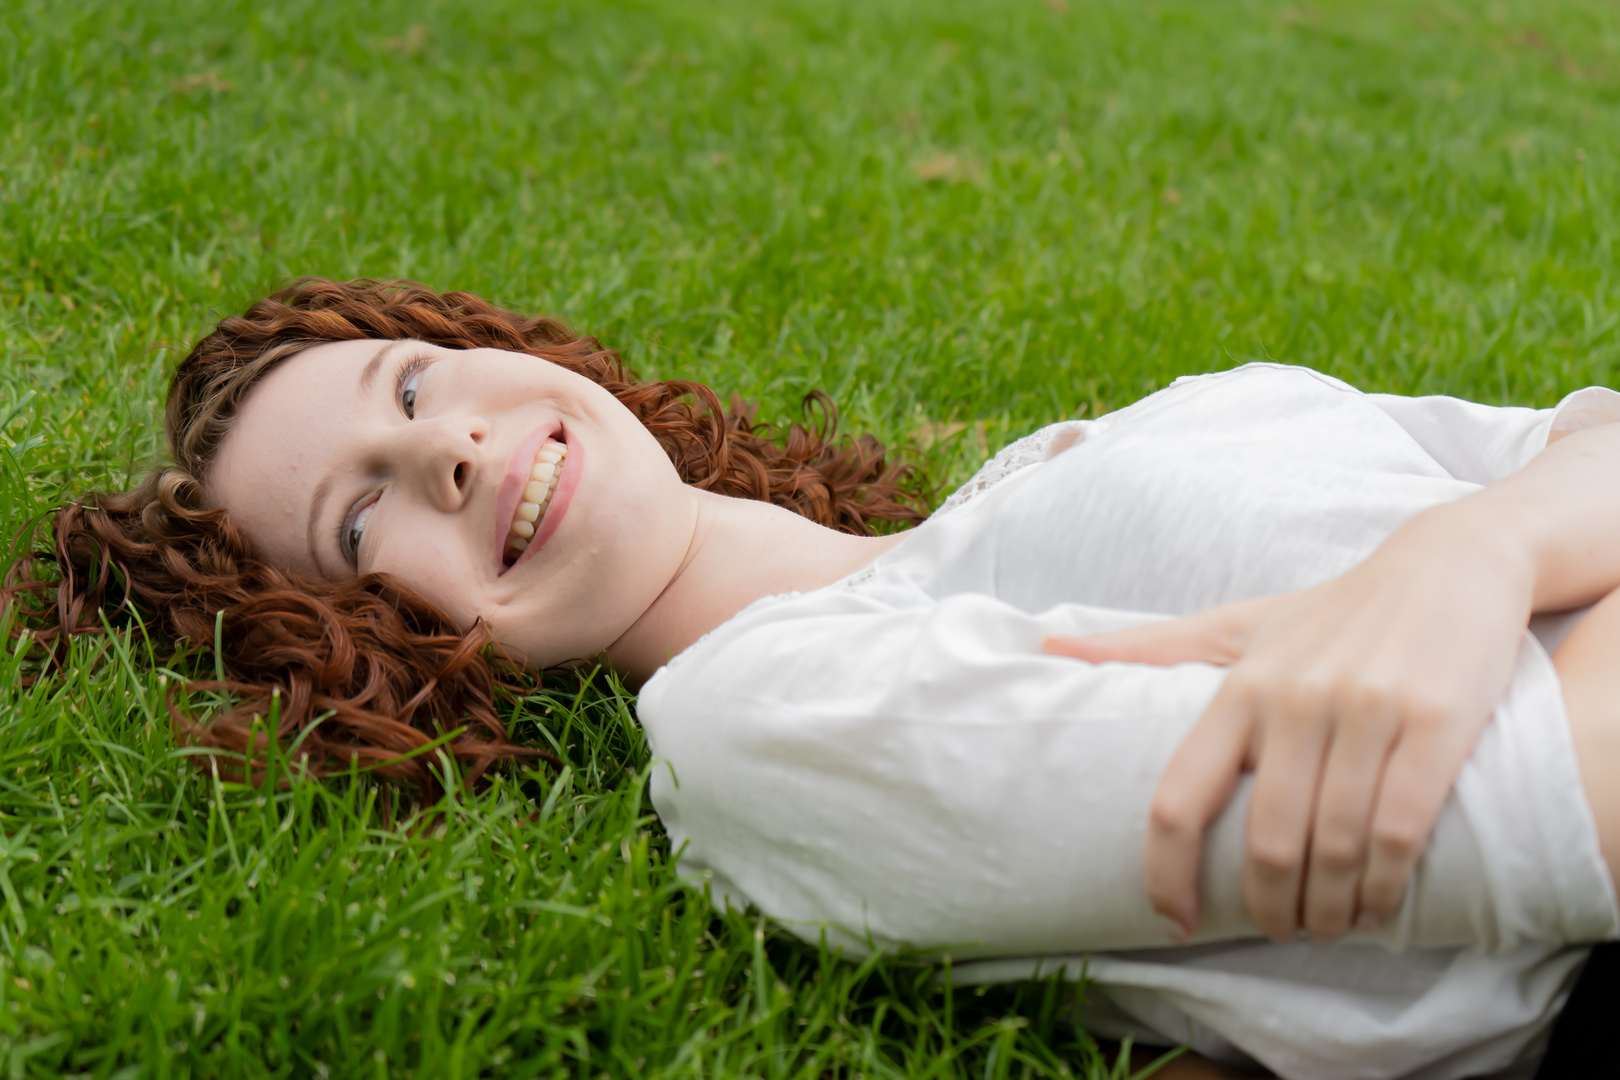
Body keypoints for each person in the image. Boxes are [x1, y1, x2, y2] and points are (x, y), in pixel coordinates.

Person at [9, 278, 1620, 1080]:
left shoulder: (1074, 458)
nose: (442, 447)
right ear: (381, 645)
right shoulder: (756, 733)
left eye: (414, 380)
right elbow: (1551, 806)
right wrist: (1523, 543)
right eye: (358, 514)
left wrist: (1469, 561)